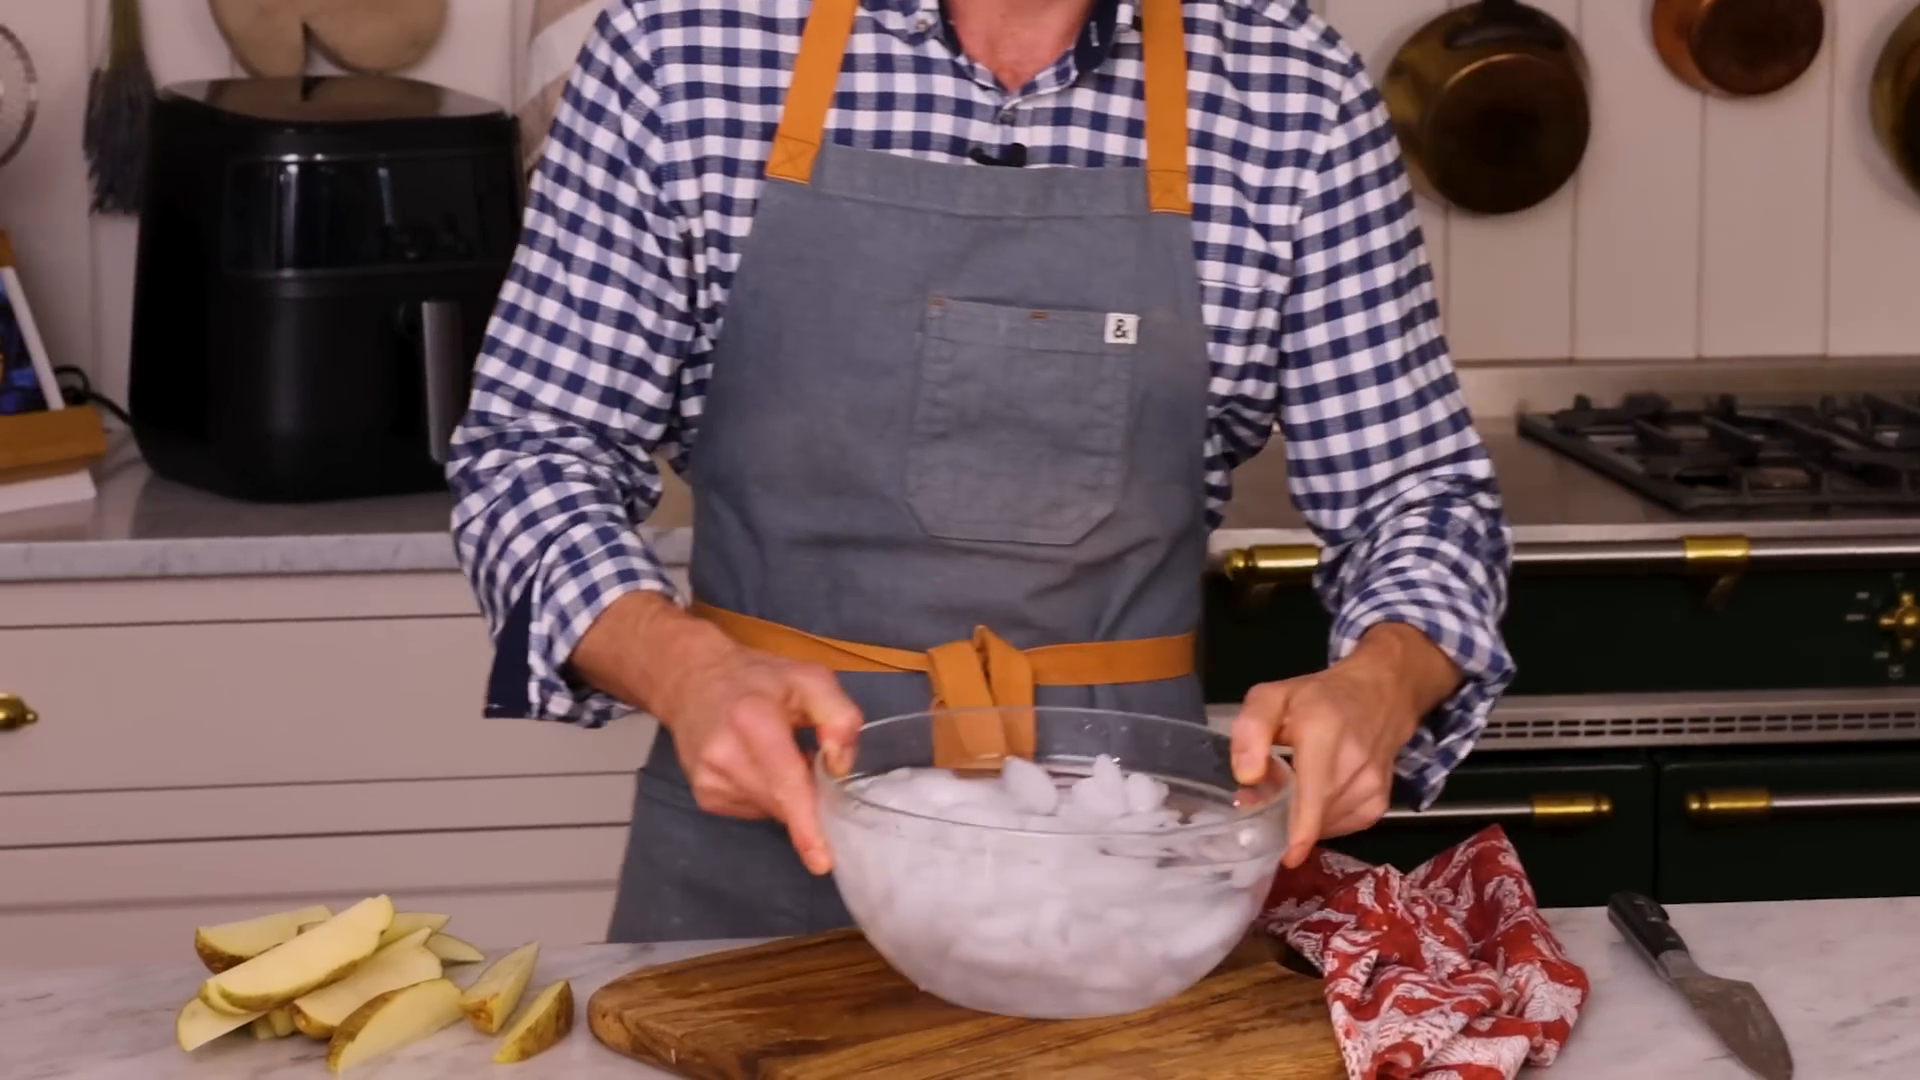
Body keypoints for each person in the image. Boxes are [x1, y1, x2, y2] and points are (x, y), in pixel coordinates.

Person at [448, 0, 1514, 943]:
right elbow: (531, 455)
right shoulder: (680, 48)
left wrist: (1381, 681)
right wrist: (684, 670)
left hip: (1122, 887)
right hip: (756, 871)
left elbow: (1419, 499)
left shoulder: (1292, 92)